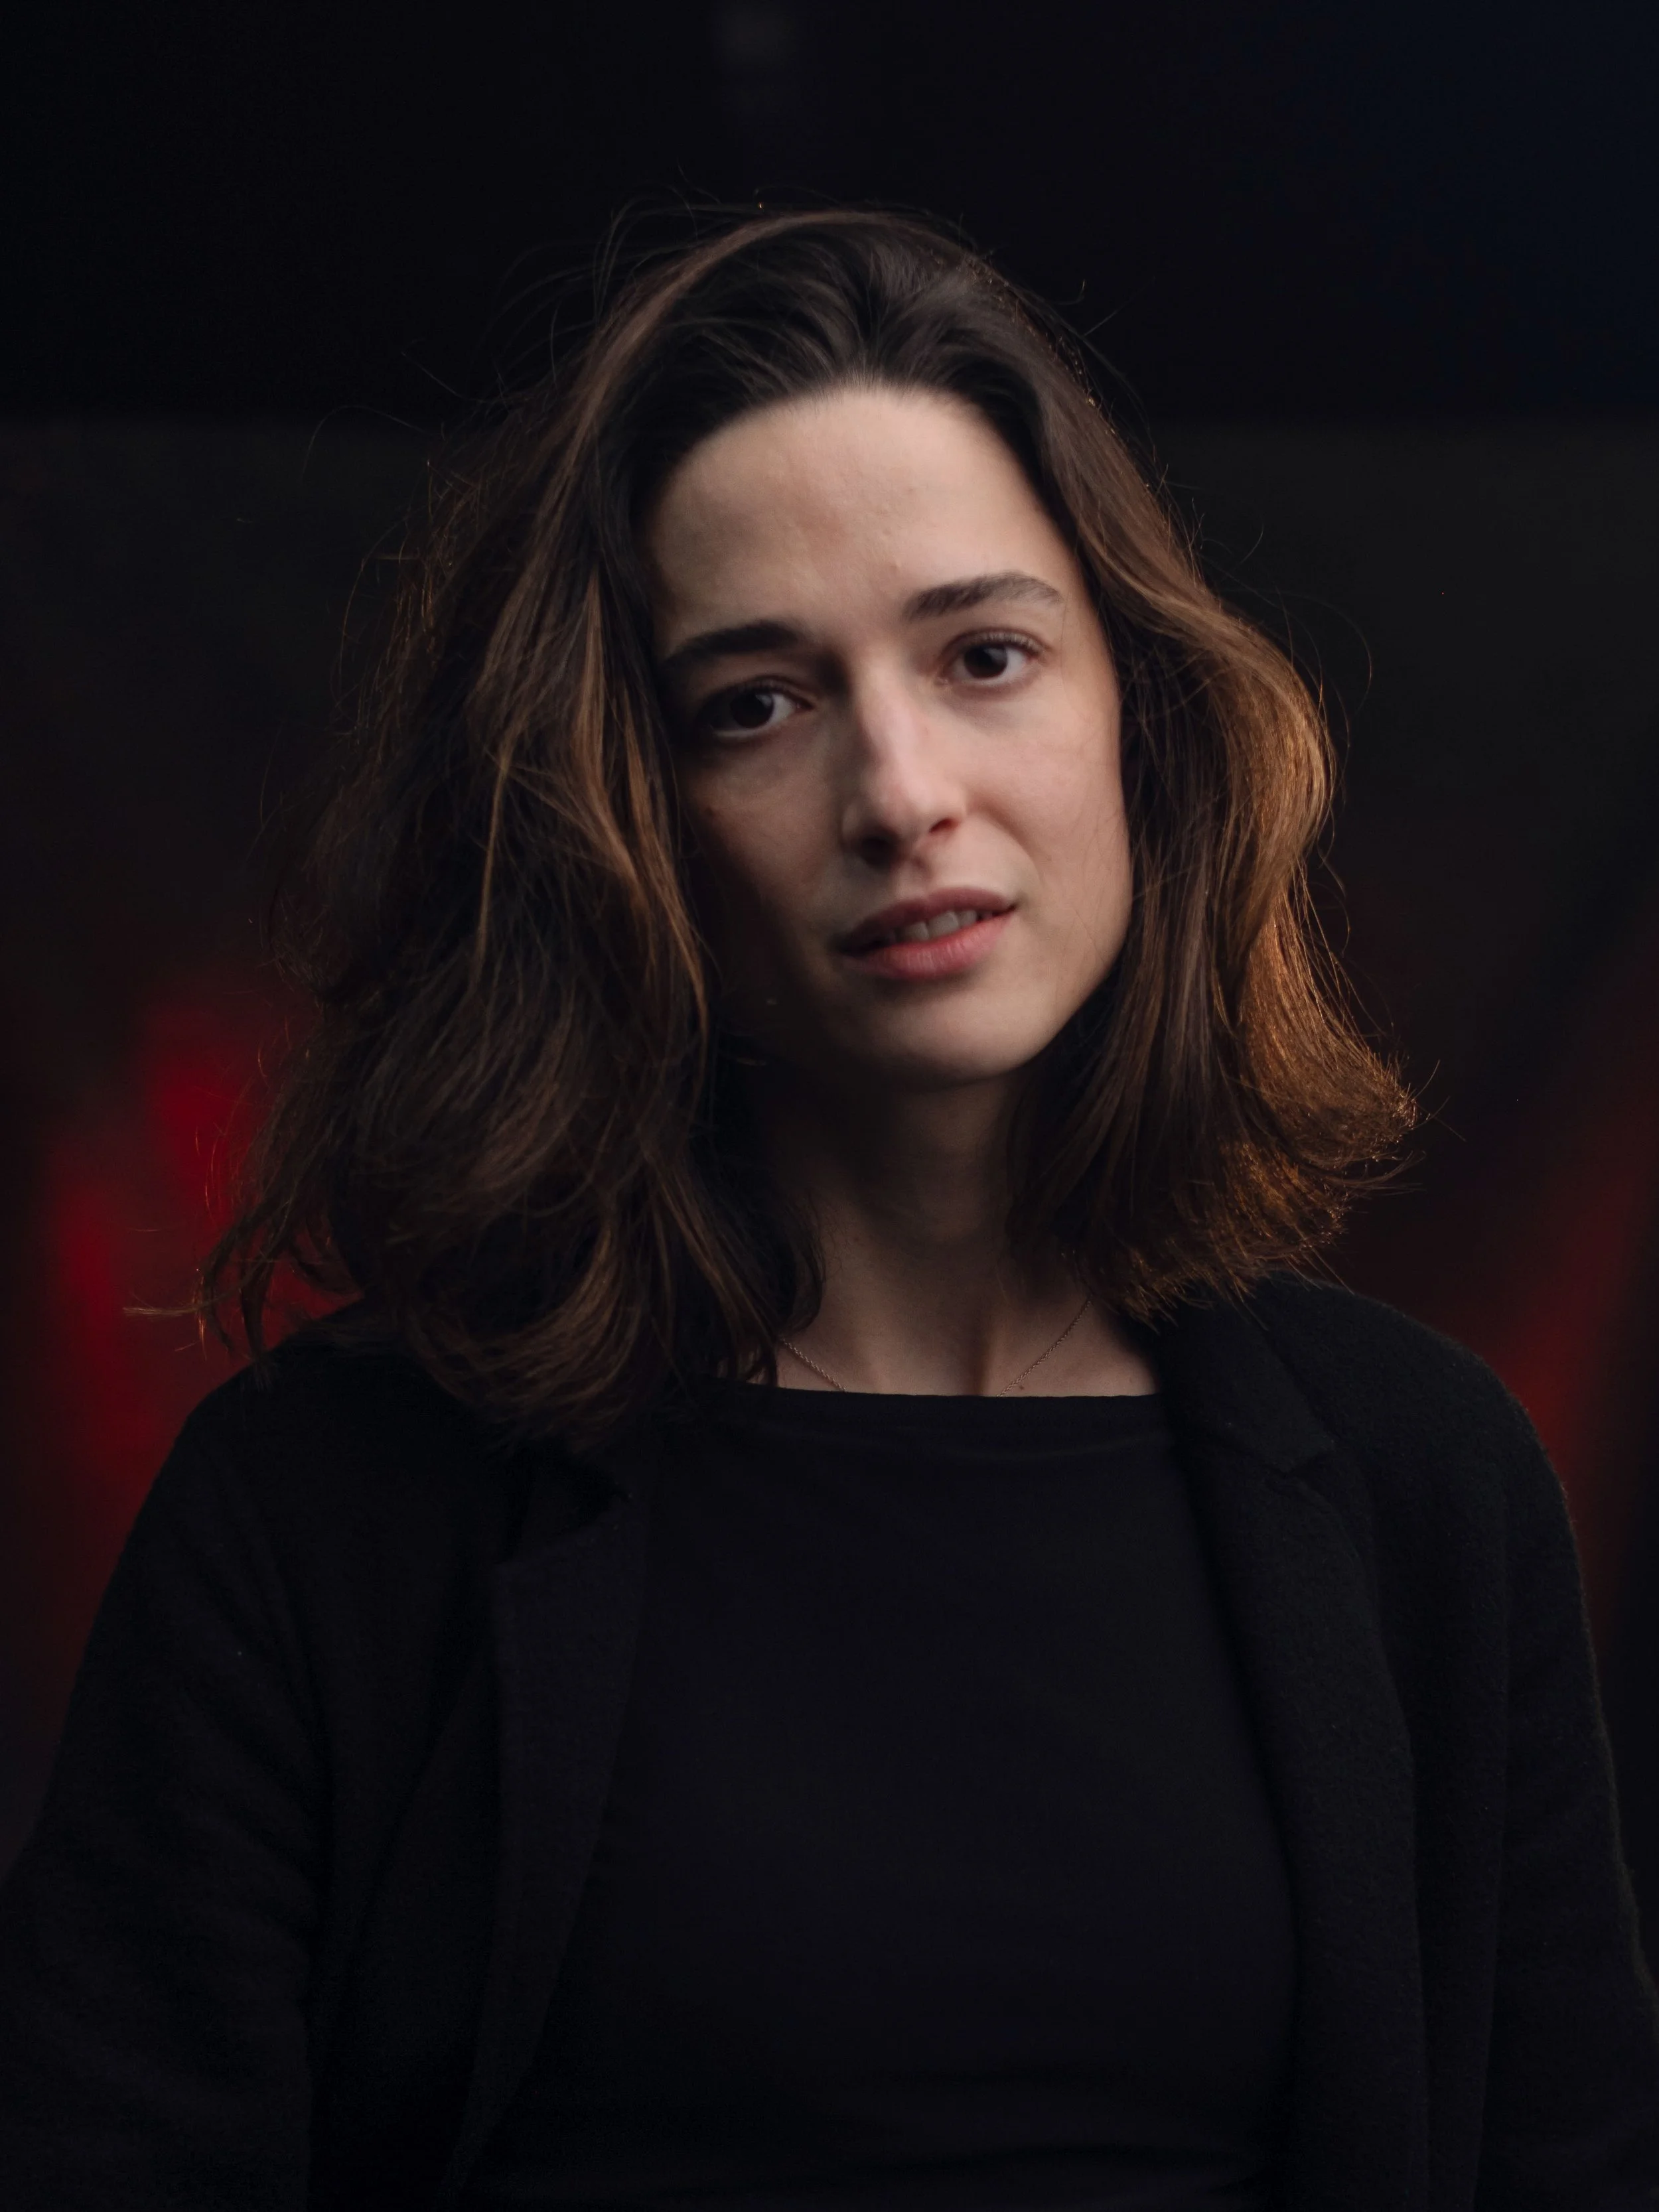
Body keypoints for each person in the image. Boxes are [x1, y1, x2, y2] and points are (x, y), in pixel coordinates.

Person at [0, 209, 1654, 2212]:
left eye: (981, 655)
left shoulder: (1420, 1492)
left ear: (1132, 711)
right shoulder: (321, 1513)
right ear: (622, 821)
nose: (898, 788)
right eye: (756, 703)